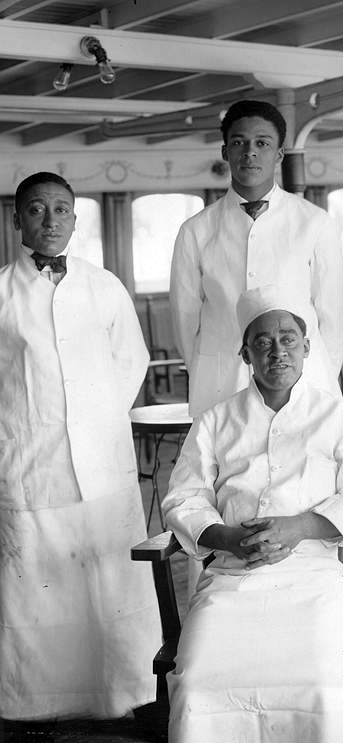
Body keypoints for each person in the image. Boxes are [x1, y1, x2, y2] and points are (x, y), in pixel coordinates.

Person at [162, 285, 343, 743]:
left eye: (288, 338)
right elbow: (182, 498)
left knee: (321, 685)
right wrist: (225, 538)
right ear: (246, 354)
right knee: (200, 678)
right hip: (231, 572)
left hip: (311, 574)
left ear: (307, 348)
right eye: (262, 341)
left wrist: (300, 527)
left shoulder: (339, 416)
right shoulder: (215, 421)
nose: (276, 350)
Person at [0, 172, 161, 726]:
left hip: (102, 461)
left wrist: (93, 419)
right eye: (37, 210)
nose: (50, 220)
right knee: (39, 591)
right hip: (29, 462)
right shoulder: (0, 291)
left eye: (61, 209)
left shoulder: (104, 285)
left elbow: (131, 360)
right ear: (17, 219)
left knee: (111, 580)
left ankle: (127, 688)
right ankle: (37, 707)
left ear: (75, 218)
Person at [169, 98, 343, 419]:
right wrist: (207, 370)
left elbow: (333, 317)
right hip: (222, 383)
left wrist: (318, 372)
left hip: (303, 382)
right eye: (238, 142)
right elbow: (185, 322)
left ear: (279, 154)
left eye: (262, 143)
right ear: (225, 153)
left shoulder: (314, 222)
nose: (250, 152)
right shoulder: (195, 230)